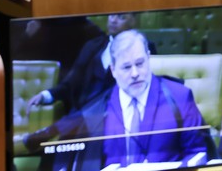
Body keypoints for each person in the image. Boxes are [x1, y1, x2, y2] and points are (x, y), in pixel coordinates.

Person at [24, 30, 207, 169]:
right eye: (126, 67)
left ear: (149, 58)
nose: (135, 73)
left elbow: (198, 154)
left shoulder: (180, 96)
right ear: (113, 70)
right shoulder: (98, 109)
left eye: (140, 63)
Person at [27, 13, 140, 114]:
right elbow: (72, 81)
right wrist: (46, 95)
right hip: (84, 111)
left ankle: (42, 135)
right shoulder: (93, 46)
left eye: (121, 17)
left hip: (118, 115)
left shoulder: (142, 48)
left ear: (133, 22)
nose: (113, 20)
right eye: (111, 16)